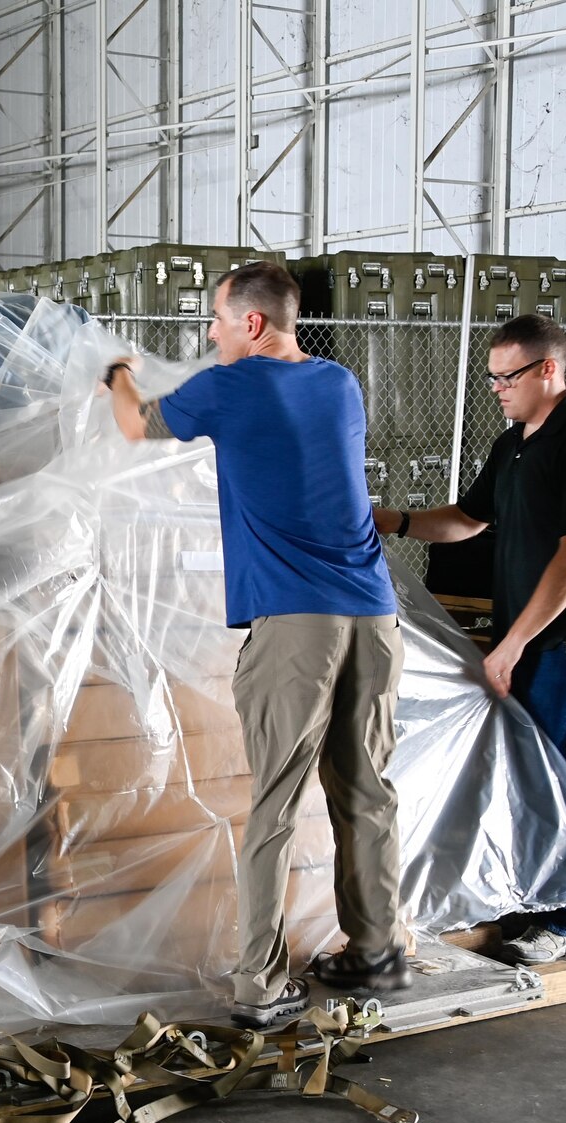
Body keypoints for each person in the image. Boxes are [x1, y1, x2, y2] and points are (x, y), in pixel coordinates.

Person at [104, 260, 411, 1032]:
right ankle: (377, 947)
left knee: (274, 803)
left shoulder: (232, 385)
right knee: (367, 791)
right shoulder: (341, 385)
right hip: (374, 615)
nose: (208, 334)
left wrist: (114, 371)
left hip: (296, 622)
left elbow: (136, 424)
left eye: (215, 319)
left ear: (251, 322)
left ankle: (260, 983)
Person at [375, 313, 566, 965]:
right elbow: (467, 519)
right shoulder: (515, 443)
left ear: (549, 369)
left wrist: (512, 643)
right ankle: (523, 901)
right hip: (527, 639)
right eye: (490, 378)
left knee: (554, 777)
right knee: (521, 773)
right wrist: (391, 519)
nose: (497, 388)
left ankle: (558, 919)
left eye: (507, 376)